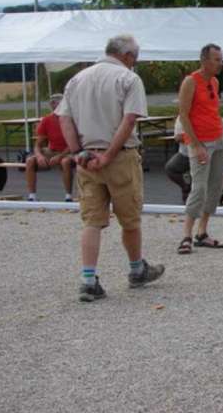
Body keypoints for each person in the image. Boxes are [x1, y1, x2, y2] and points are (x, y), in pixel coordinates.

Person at [57, 34, 164, 302]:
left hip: (85, 158)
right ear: (127, 56)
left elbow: (64, 120)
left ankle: (88, 278)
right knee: (130, 219)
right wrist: (109, 155)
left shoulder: (76, 79)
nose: (134, 63)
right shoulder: (128, 79)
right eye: (134, 59)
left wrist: (76, 152)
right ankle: (136, 268)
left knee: (92, 221)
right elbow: (128, 121)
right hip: (119, 156)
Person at [177, 43, 223, 254]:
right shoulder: (191, 81)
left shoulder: (214, 82)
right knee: (199, 187)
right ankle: (186, 235)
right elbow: (183, 115)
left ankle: (202, 232)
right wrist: (196, 145)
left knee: (216, 186)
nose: (220, 63)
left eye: (221, 59)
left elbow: (211, 110)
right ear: (204, 60)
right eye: (217, 59)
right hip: (200, 142)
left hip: (218, 139)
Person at [25, 93, 74, 202]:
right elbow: (38, 143)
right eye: (51, 102)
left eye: (56, 102)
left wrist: (60, 156)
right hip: (52, 150)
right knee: (30, 161)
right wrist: (39, 156)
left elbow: (73, 144)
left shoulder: (71, 119)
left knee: (65, 162)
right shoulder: (47, 120)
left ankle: (68, 196)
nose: (53, 105)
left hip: (69, 151)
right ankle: (32, 196)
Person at [164, 116, 191, 203]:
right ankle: (185, 187)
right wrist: (194, 137)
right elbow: (178, 138)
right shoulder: (181, 118)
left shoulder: (204, 115)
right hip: (185, 153)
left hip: (204, 153)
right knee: (170, 168)